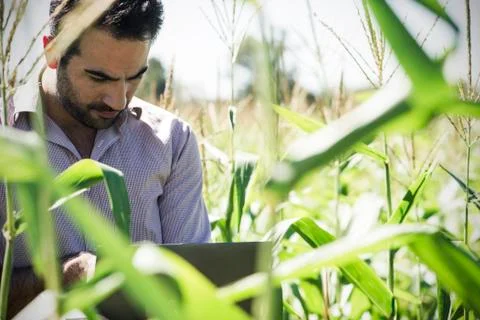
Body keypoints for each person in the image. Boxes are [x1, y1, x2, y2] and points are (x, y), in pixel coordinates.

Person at [0, 0, 211, 316]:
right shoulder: (7, 136)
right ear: (53, 51)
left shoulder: (172, 142)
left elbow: (197, 290)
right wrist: (71, 274)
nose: (118, 99)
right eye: (99, 77)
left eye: (135, 76)